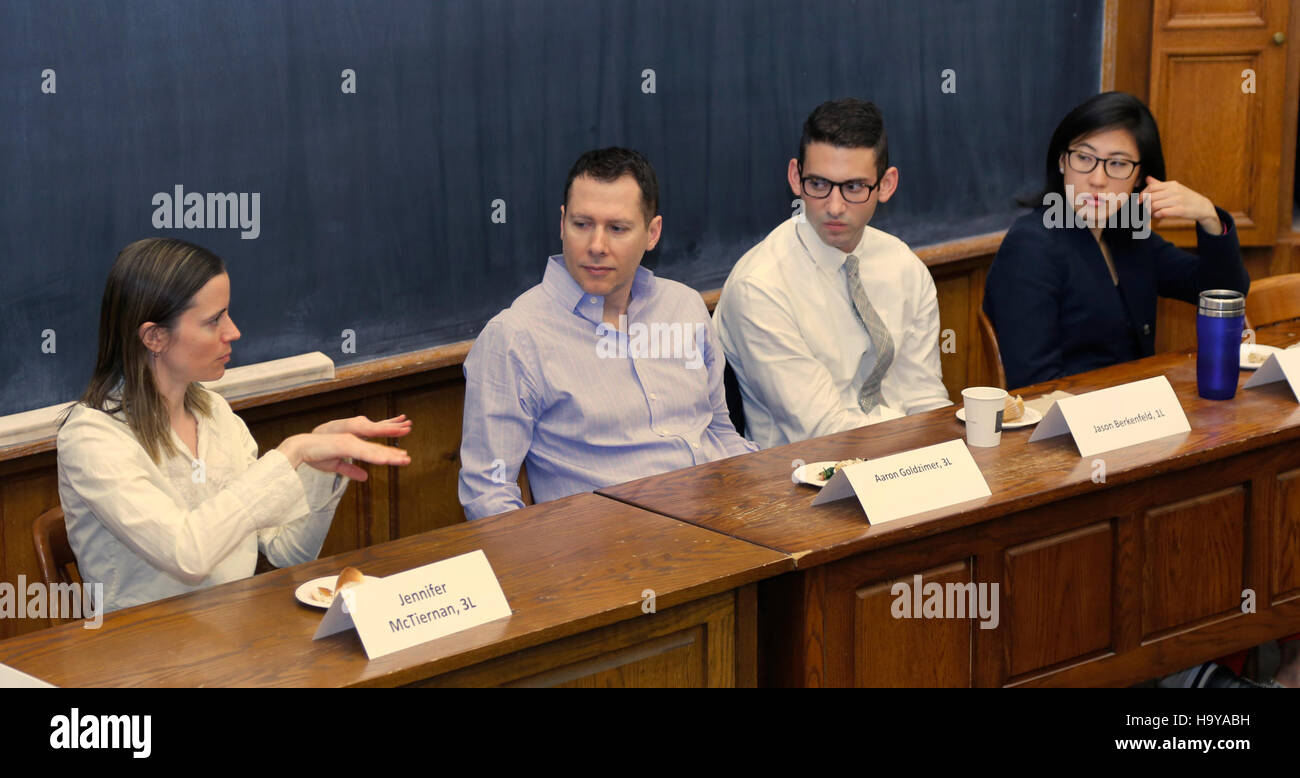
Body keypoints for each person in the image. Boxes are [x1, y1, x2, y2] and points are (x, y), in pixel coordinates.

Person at [57, 238, 412, 613]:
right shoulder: (91, 438)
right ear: (154, 337)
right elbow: (188, 554)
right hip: (142, 658)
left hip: (234, 635)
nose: (233, 331)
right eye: (214, 320)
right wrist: (292, 453)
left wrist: (319, 464)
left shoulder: (215, 412)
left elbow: (287, 552)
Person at [458, 147, 756, 520]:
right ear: (561, 222)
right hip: (609, 554)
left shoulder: (685, 306)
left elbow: (720, 431)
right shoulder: (515, 338)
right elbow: (488, 495)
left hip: (728, 524)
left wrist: (767, 492)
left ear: (652, 233)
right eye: (582, 225)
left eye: (617, 229)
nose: (596, 246)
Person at [714, 98, 951, 449]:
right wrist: (917, 438)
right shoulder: (761, 286)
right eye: (819, 184)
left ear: (886, 184)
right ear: (795, 177)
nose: (835, 207)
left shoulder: (904, 266)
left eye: (854, 187)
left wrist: (942, 446)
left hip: (903, 456)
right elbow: (823, 432)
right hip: (802, 477)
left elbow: (925, 397)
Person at [983, 91, 1249, 390]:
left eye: (1118, 164)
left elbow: (1222, 294)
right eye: (1084, 158)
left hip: (1135, 408)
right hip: (1070, 425)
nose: (1097, 179)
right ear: (1062, 161)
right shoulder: (1031, 246)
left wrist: (1210, 218)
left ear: (1139, 178)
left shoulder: (1126, 231)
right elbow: (1035, 385)